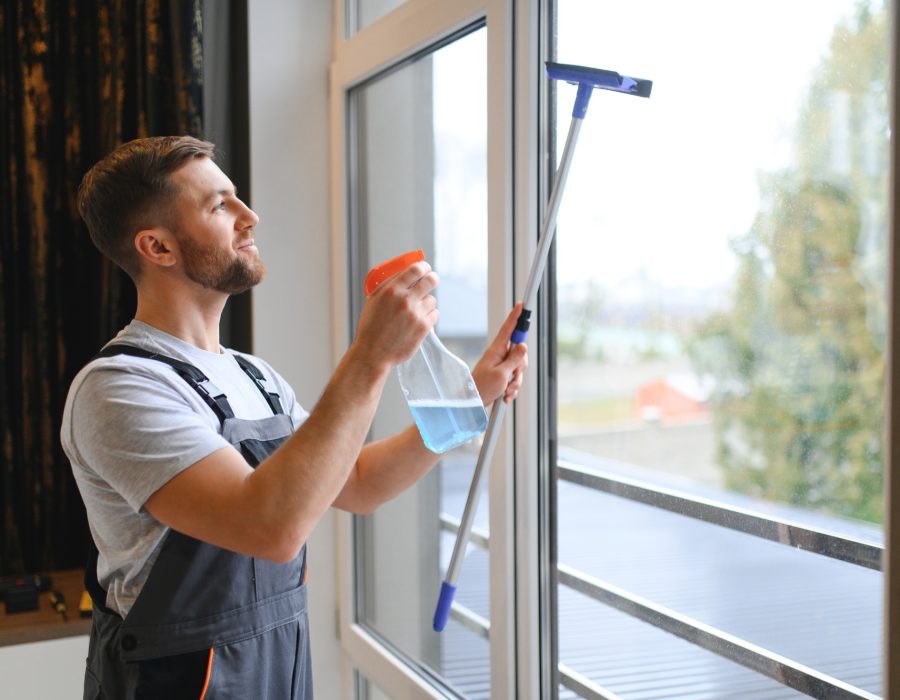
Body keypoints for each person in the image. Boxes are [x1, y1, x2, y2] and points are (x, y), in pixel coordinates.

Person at [61, 135, 528, 699]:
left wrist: (471, 396)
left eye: (236, 197)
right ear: (158, 248)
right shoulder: (119, 388)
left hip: (277, 669)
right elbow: (270, 526)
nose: (249, 216)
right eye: (218, 205)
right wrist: (372, 356)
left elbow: (356, 482)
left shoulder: (254, 376)